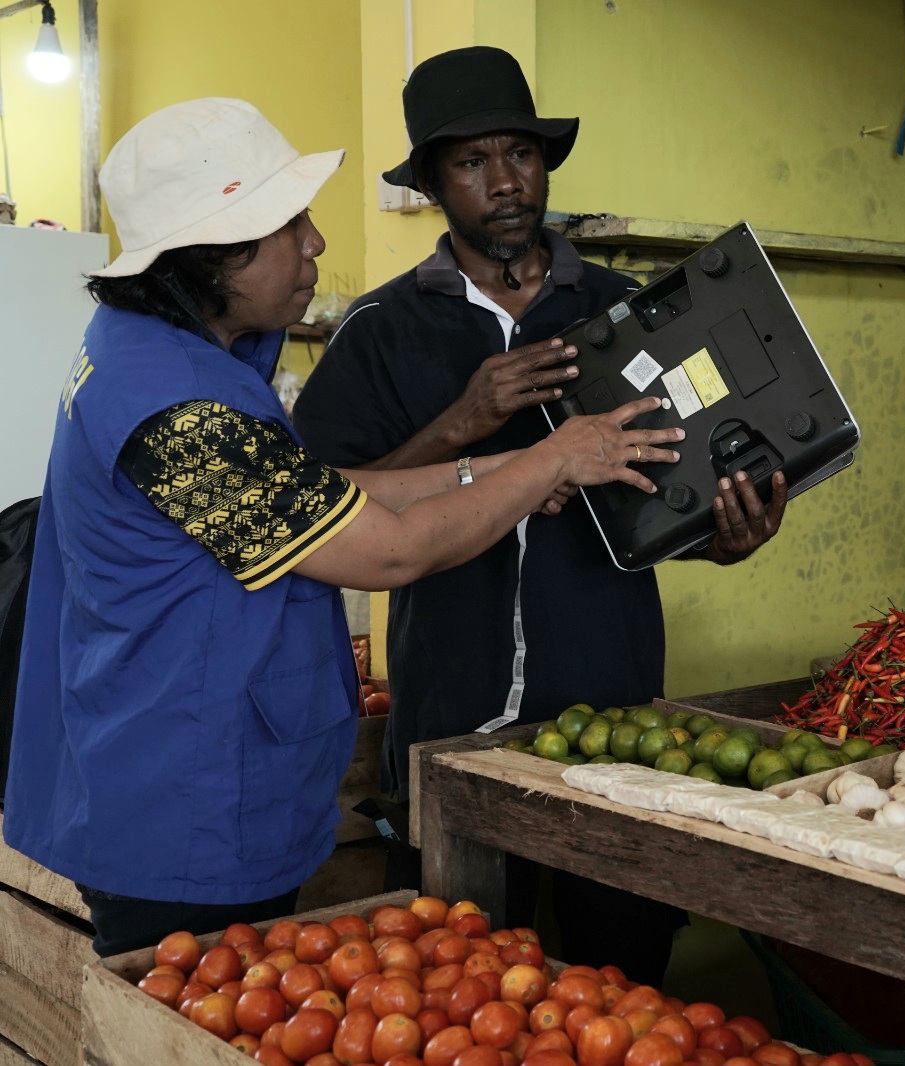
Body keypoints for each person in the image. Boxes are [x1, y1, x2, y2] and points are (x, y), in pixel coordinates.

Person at [1, 97, 685, 957]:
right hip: (182, 804)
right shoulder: (178, 412)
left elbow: (318, 491)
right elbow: (387, 552)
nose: (317, 243)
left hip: (182, 770)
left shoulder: (156, 347)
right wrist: (553, 459)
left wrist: (496, 471)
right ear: (213, 257)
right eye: (291, 225)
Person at [291, 47, 786, 983]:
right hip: (448, 713)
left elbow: (666, 488)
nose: (505, 181)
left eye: (518, 153)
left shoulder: (624, 314)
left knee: (625, 981)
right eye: (472, 163)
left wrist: (724, 537)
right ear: (435, 184)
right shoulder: (382, 331)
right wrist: (462, 422)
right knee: (454, 982)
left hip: (613, 713)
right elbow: (326, 512)